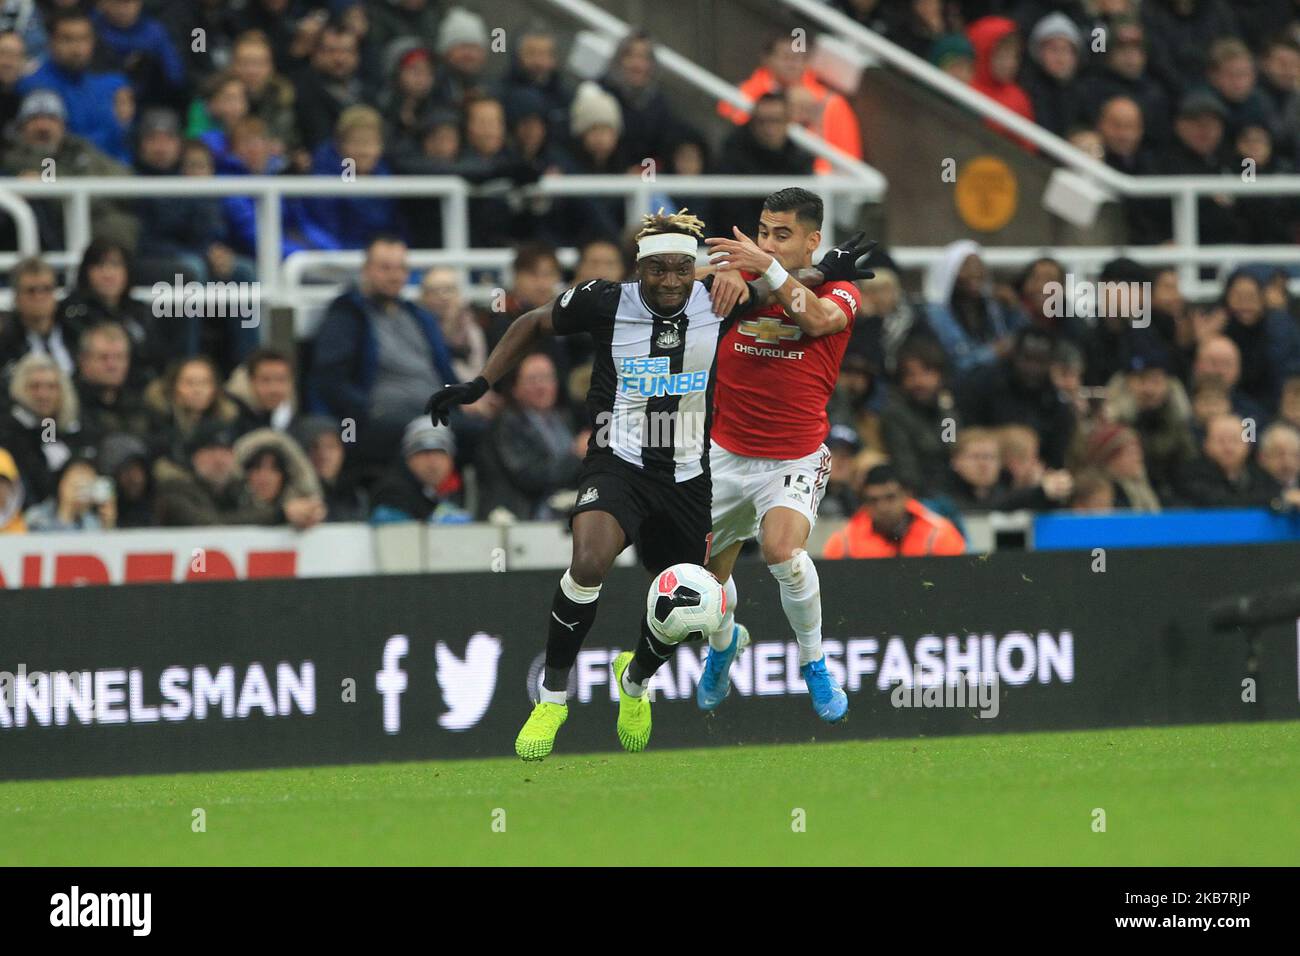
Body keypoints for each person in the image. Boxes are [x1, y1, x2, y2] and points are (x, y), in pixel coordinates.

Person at [424, 209, 773, 761]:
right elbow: (534, 322)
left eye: (682, 268)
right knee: (588, 563)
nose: (670, 281)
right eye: (657, 269)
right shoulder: (605, 300)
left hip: (688, 477)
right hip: (618, 461)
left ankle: (633, 681)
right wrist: (480, 383)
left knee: (687, 605)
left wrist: (829, 270)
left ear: (695, 267)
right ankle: (553, 699)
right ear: (641, 268)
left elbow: (791, 288)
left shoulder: (720, 298)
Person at [696, 191, 872, 723]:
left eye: (782, 234)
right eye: (764, 232)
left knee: (781, 553)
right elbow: (709, 288)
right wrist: (725, 275)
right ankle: (724, 645)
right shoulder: (740, 284)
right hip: (725, 455)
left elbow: (816, 319)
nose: (768, 242)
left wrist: (766, 268)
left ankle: (815, 664)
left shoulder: (842, 292)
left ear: (812, 241)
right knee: (704, 578)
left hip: (792, 457)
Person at [310, 235, 455, 463]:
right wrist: (367, 409)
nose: (394, 276)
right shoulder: (347, 314)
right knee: (426, 435)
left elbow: (445, 371)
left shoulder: (419, 316)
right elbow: (330, 379)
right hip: (380, 417)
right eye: (385, 268)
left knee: (485, 427)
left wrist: (466, 396)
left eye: (400, 268)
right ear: (366, 270)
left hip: (438, 410)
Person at [822, 463, 965, 559]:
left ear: (907, 495)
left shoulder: (939, 535)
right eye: (873, 500)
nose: (882, 507)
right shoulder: (844, 541)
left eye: (890, 497)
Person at [370, 417, 471, 524]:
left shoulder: (452, 493)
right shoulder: (391, 494)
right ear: (409, 459)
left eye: (440, 452)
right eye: (424, 453)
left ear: (451, 460)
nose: (433, 462)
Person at [23, 454, 114, 531]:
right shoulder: (35, 517)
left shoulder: (93, 523)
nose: (81, 493)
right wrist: (67, 511)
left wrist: (107, 526)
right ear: (61, 484)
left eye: (87, 487)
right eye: (76, 486)